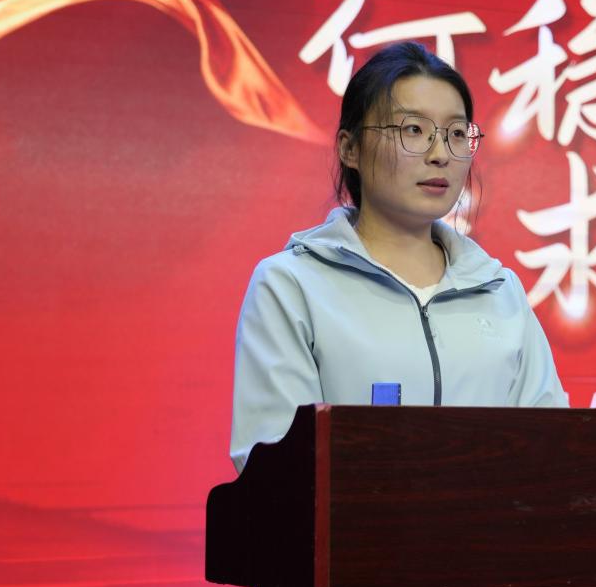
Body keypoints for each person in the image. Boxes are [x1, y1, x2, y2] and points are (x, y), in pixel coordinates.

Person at [230, 41, 567, 474]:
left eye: (456, 133)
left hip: (492, 520)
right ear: (350, 148)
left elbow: (552, 449)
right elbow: (277, 470)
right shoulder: (291, 285)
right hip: (352, 520)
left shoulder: (500, 291)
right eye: (413, 130)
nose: (439, 154)